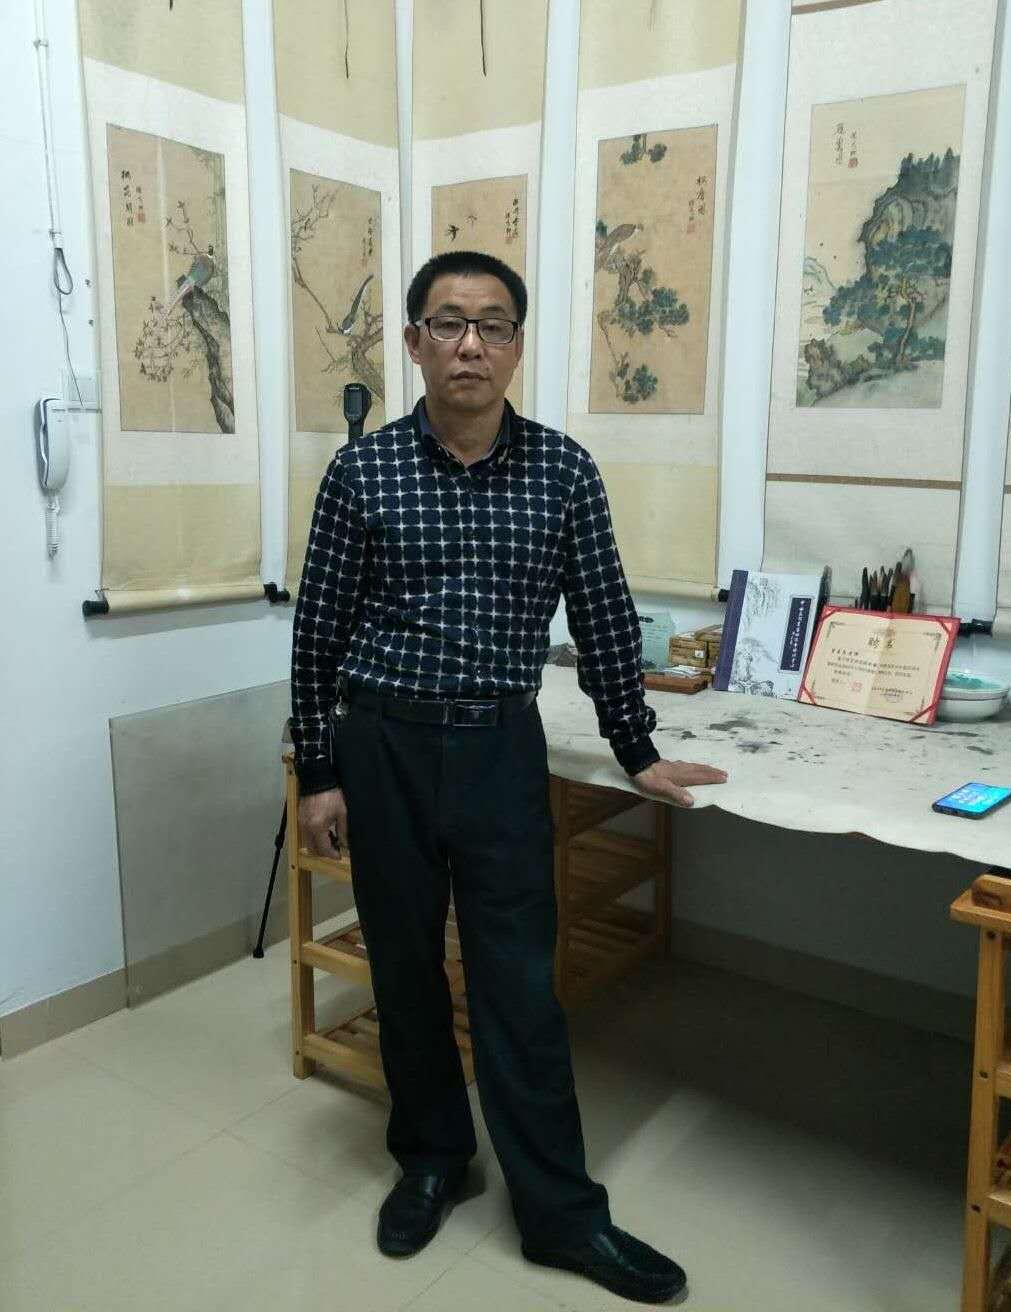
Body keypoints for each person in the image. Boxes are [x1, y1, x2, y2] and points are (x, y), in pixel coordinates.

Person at [290, 249, 728, 1304]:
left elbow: (606, 618)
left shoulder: (563, 472)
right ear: (413, 343)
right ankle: (433, 1158)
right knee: (404, 968)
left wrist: (637, 749)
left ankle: (560, 1214)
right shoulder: (362, 473)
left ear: (519, 346)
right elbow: (317, 632)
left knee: (519, 985)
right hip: (384, 747)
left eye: (493, 324)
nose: (470, 344)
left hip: (497, 751)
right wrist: (318, 771)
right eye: (447, 322)